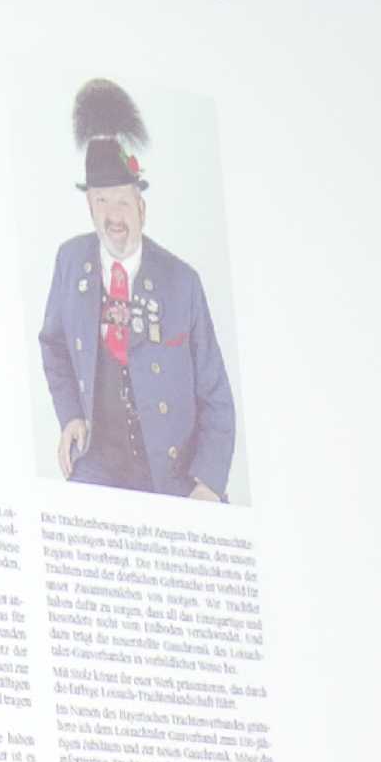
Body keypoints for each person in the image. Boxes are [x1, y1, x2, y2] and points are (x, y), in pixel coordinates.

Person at [37, 78, 240, 501]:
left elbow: (217, 395)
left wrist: (207, 482)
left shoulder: (181, 282)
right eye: (102, 202)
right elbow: (53, 344)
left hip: (171, 471)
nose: (113, 216)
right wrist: (70, 415)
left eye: (123, 202)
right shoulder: (70, 260)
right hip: (98, 463)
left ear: (141, 208)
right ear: (89, 205)